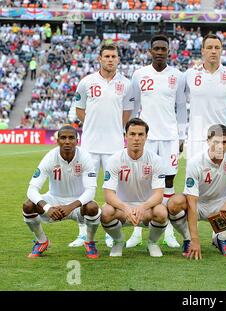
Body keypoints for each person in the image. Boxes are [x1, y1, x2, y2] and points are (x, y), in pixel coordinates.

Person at [72, 42, 134, 248]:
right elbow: (80, 110)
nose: (110, 59)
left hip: (114, 147)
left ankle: (110, 230)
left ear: (118, 59)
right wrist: (92, 125)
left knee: (113, 191)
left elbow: (127, 114)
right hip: (89, 146)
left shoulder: (126, 84)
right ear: (99, 58)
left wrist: (114, 127)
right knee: (84, 190)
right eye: (106, 56)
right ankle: (82, 232)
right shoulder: (87, 82)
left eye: (113, 56)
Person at [166, 124, 226, 259]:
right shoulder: (195, 162)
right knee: (174, 203)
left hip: (221, 205)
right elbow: (192, 202)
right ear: (208, 141)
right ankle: (187, 239)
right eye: (216, 142)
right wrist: (195, 239)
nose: (220, 146)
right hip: (198, 204)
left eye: (224, 142)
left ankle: (222, 238)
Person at [128, 34, 186, 248]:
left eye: (164, 48)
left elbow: (181, 107)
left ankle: (169, 231)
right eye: (157, 48)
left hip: (170, 136)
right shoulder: (139, 75)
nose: (160, 52)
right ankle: (137, 231)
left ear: (169, 51)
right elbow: (134, 107)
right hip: (147, 137)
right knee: (143, 183)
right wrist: (132, 133)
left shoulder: (177, 76)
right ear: (150, 51)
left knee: (169, 182)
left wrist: (181, 135)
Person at [22, 125, 100, 258]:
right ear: (57, 140)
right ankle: (42, 242)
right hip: (54, 201)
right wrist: (48, 207)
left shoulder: (85, 157)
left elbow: (91, 191)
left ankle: (89, 242)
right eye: (63, 138)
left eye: (71, 138)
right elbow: (32, 189)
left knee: (93, 207)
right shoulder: (50, 157)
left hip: (77, 204)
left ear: (77, 140)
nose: (67, 141)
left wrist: (70, 207)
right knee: (28, 205)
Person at [101, 118, 169, 257]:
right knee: (106, 211)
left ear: (146, 137)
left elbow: (159, 194)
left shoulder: (156, 160)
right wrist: (126, 208)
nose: (136, 138)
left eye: (140, 134)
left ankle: (152, 243)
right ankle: (118, 241)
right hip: (121, 208)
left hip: (146, 209)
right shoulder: (115, 159)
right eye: (132, 134)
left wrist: (142, 207)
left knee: (162, 212)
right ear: (125, 136)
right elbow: (108, 194)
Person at [184, 33, 226, 161]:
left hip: (221, 136)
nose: (213, 51)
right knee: (194, 179)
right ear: (202, 50)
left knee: (220, 179)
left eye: (217, 48)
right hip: (196, 137)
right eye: (209, 47)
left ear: (221, 50)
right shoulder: (189, 75)